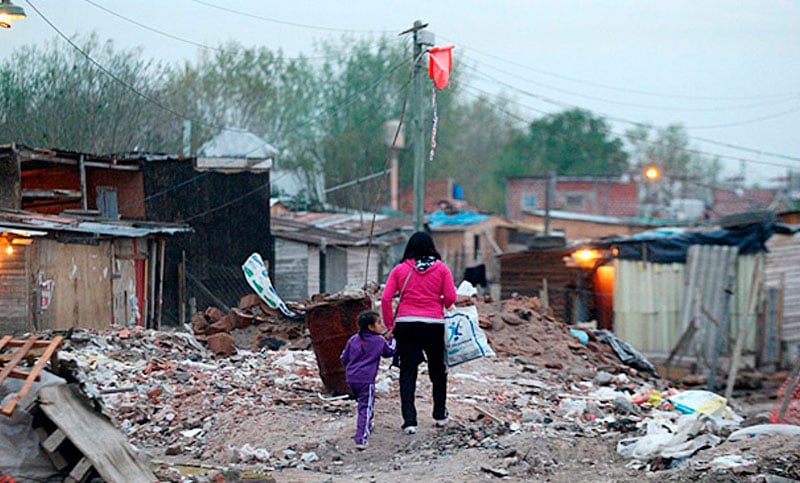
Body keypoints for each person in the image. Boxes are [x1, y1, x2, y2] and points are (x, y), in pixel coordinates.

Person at [381, 231, 457, 435]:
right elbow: (451, 297)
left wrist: (389, 325)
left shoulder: (400, 269)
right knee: (438, 370)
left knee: (408, 372)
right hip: (433, 324)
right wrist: (439, 303)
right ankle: (440, 415)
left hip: (406, 324)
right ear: (432, 247)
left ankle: (410, 421)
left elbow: (386, 298)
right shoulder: (442, 269)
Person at [340, 310, 396, 450]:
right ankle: (361, 438)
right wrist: (393, 340)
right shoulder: (379, 341)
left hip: (351, 378)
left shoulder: (353, 339)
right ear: (371, 327)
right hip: (366, 379)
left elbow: (343, 359)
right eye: (378, 323)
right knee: (366, 406)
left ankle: (367, 425)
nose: (381, 325)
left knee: (363, 403)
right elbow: (389, 352)